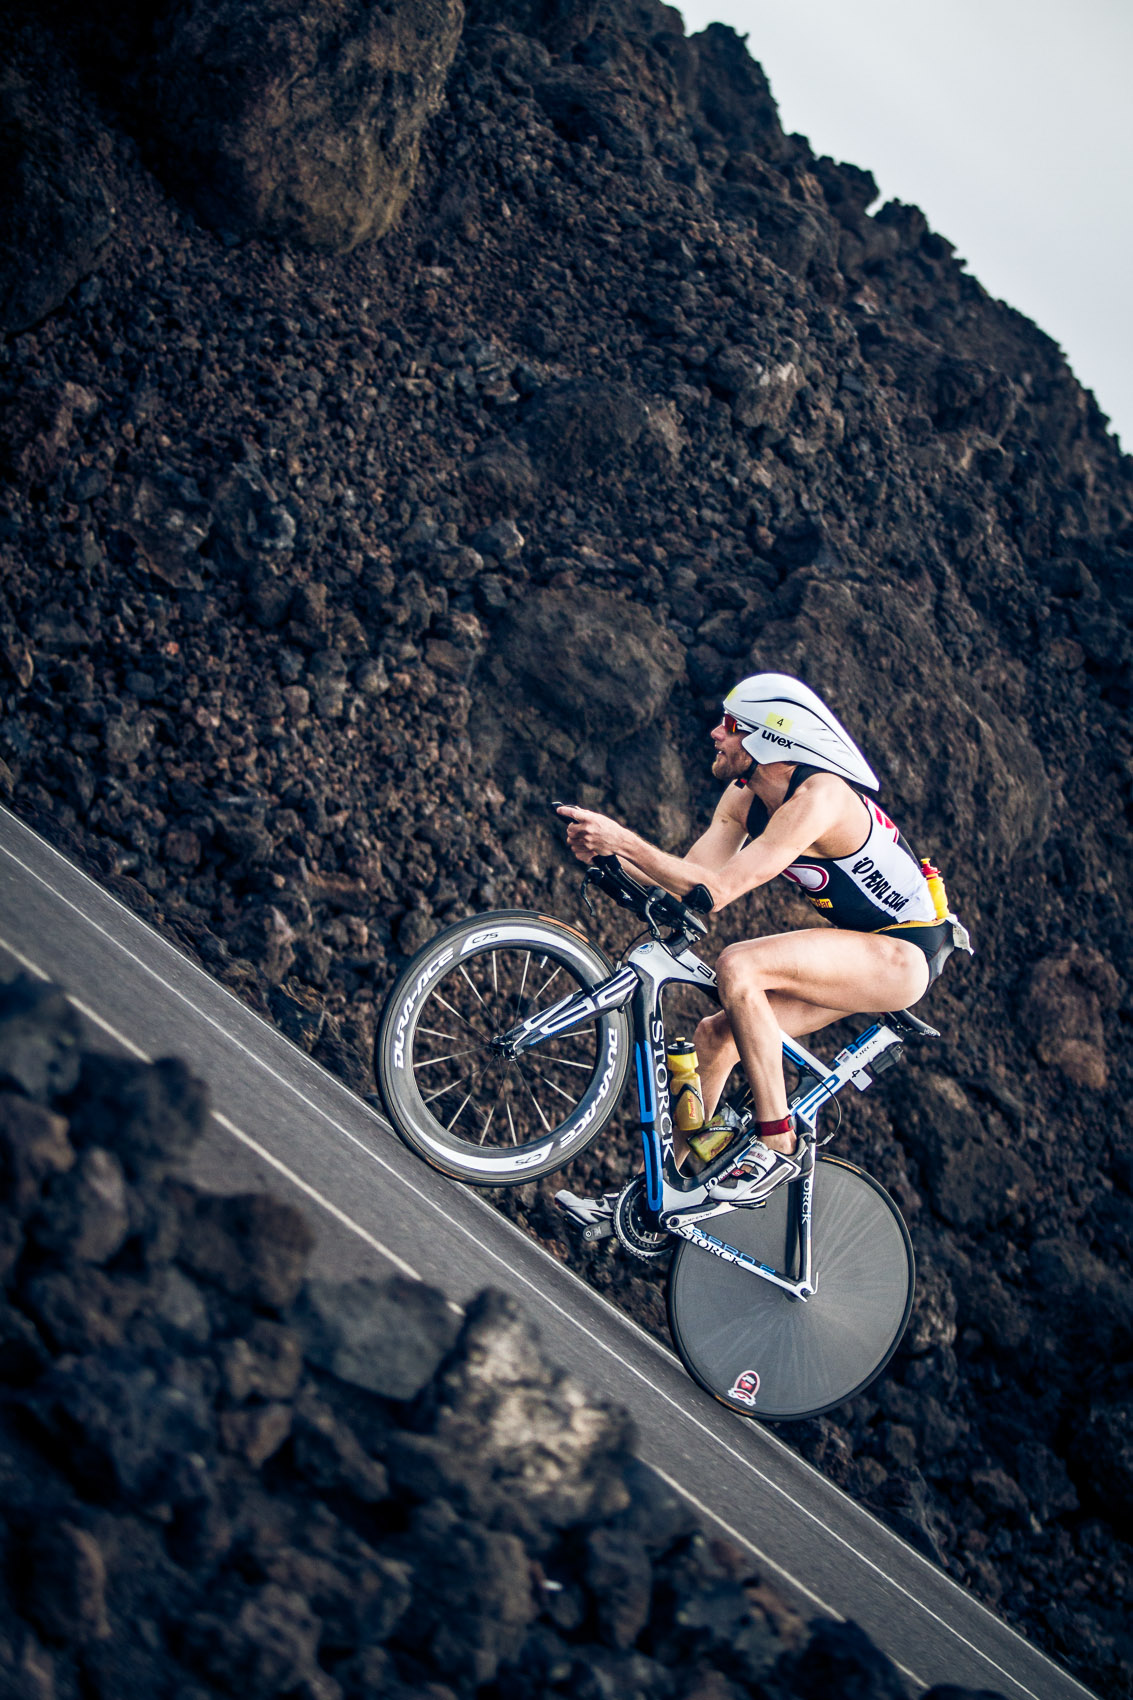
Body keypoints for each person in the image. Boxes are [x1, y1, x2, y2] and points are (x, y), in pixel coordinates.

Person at [557, 673, 965, 1204]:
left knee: (740, 965)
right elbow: (689, 881)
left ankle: (779, 1144)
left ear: (771, 738)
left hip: (902, 954)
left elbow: (718, 891)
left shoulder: (820, 798)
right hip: (856, 946)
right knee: (714, 1038)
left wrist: (626, 840)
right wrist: (611, 857)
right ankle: (655, 1197)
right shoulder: (743, 796)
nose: (715, 733)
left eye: (731, 726)